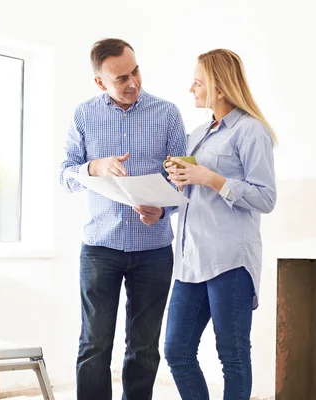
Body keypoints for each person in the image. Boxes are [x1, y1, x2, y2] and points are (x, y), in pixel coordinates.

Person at [59, 38, 187, 400]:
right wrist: (95, 166)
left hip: (154, 249)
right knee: (94, 345)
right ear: (100, 82)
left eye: (135, 71)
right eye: (120, 78)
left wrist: (164, 208)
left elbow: (184, 179)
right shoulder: (84, 115)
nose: (132, 83)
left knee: (145, 348)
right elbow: (65, 176)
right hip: (100, 247)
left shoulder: (168, 114)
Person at [163, 49, 277, 400]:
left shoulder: (251, 131)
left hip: (230, 260)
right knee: (176, 352)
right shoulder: (197, 133)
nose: (191, 88)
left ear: (221, 87)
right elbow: (189, 193)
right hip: (190, 261)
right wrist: (177, 182)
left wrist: (211, 178)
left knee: (233, 355)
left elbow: (266, 198)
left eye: (198, 82)